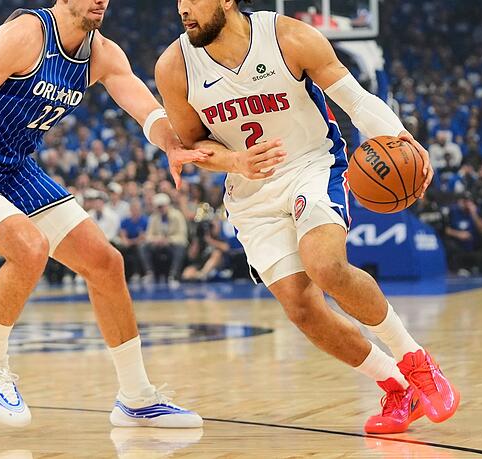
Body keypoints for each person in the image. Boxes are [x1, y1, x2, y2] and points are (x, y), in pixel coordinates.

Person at [155, 0, 458, 434]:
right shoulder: (174, 66)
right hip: (250, 190)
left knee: (326, 265)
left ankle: (416, 359)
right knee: (301, 309)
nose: (183, 9)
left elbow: (354, 99)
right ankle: (396, 386)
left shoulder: (288, 38)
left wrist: (400, 136)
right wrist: (235, 161)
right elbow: (192, 146)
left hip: (311, 165)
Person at [0, 0, 203, 429]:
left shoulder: (101, 52)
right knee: (29, 248)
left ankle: (136, 398)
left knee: (106, 263)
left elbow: (148, 110)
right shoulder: (27, 34)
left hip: (13, 165)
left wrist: (172, 144)